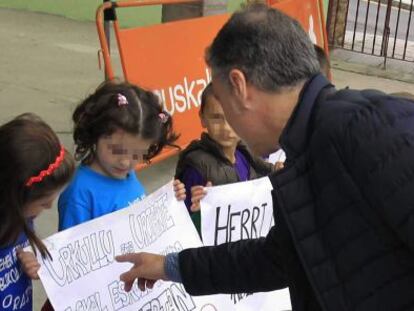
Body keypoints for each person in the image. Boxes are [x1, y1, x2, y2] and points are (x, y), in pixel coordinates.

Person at [116, 4, 414, 311]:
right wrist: (169, 267)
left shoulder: (366, 128)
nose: (228, 123)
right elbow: (277, 258)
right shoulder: (308, 148)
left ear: (240, 87)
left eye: (223, 101)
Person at [58, 80, 178, 231]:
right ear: (97, 133)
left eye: (137, 154)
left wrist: (171, 201)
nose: (125, 162)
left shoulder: (127, 173)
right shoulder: (79, 195)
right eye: (117, 150)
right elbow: (70, 250)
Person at [175, 83, 275, 232]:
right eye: (216, 118)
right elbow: (186, 226)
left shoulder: (244, 155)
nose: (226, 127)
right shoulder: (197, 168)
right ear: (202, 118)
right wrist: (199, 213)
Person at [0, 113, 75, 311]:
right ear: (14, 195)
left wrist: (29, 261)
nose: (50, 207)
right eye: (43, 202)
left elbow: (19, 250)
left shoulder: (23, 216)